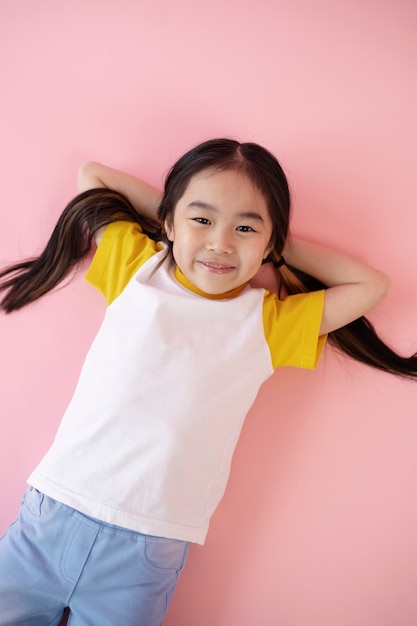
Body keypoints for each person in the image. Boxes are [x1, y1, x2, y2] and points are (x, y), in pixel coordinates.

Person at [0, 138, 415, 626]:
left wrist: (276, 244)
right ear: (170, 222)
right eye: (203, 220)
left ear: (269, 244)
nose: (220, 242)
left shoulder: (266, 323)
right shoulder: (136, 268)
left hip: (147, 549)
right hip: (52, 514)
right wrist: (179, 216)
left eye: (245, 228)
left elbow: (372, 286)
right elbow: (93, 174)